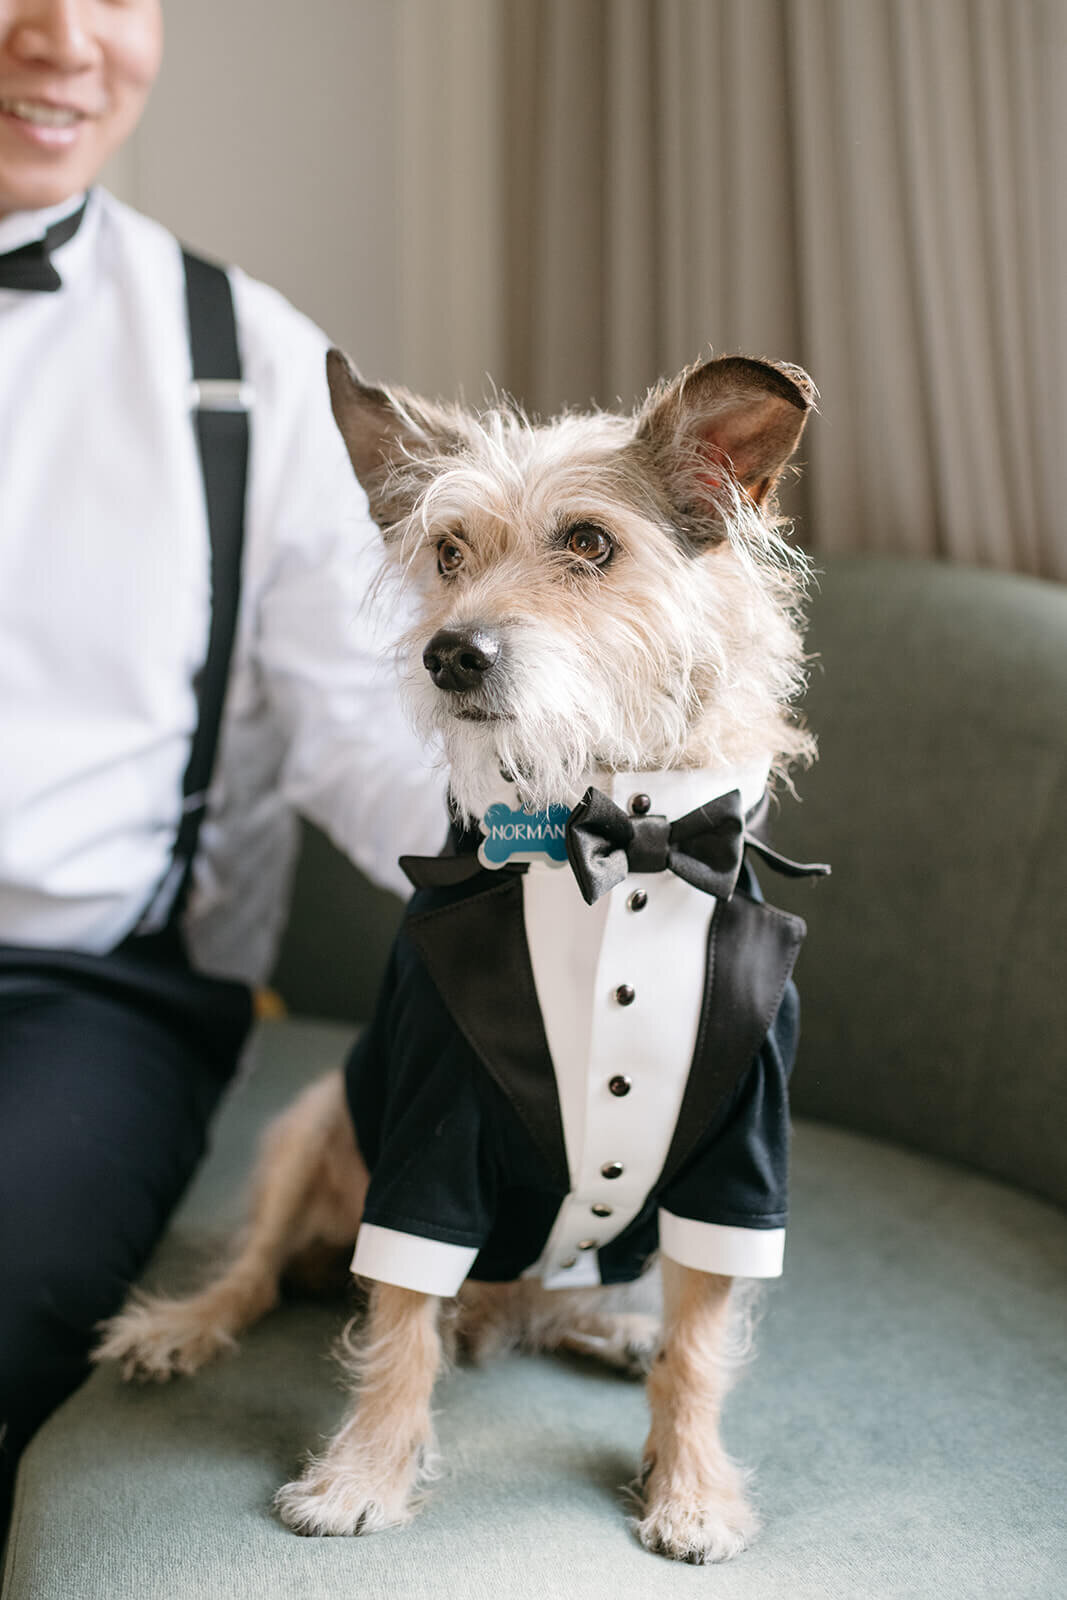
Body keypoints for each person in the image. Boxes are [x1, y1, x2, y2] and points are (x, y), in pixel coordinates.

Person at [0, 0, 446, 1531]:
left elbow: (363, 732)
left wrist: (551, 843)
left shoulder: (244, 361)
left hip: (90, 989)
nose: (63, 39)